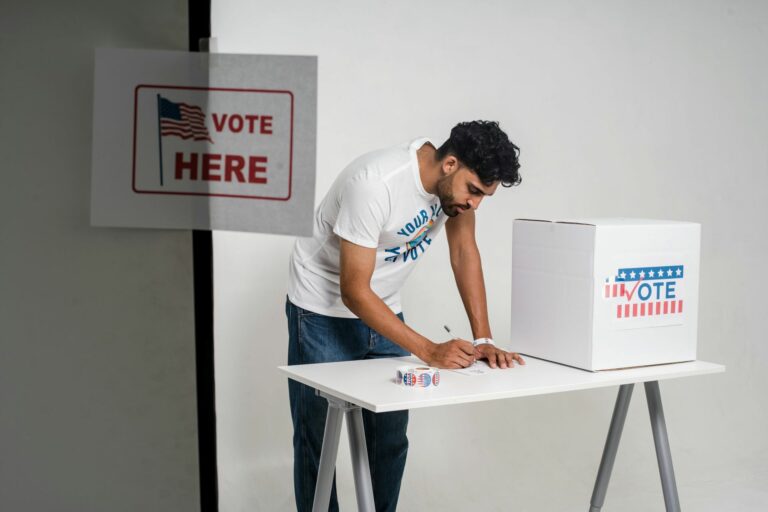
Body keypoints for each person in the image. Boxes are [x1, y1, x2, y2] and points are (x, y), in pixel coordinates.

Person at [286, 120, 525, 511]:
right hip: (321, 307)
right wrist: (428, 350)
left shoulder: (454, 194)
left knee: (389, 437)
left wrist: (483, 340)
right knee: (317, 440)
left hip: (385, 306)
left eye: (484, 196)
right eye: (474, 191)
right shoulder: (376, 183)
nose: (475, 204)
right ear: (449, 164)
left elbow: (464, 253)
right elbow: (354, 291)